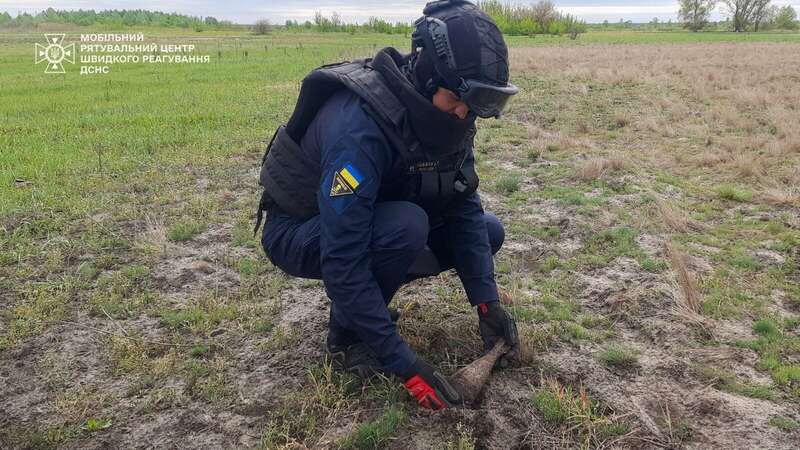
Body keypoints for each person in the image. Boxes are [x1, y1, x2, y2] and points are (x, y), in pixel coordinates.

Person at [254, 0, 520, 411]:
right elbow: (344, 258)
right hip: (300, 228)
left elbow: (463, 204)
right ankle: (347, 336)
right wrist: (403, 361)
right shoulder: (360, 127)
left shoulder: (450, 118)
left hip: (376, 217)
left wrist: (487, 303)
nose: (465, 113)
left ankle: (368, 309)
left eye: (479, 103)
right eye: (458, 99)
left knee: (487, 230)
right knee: (405, 227)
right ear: (430, 75)